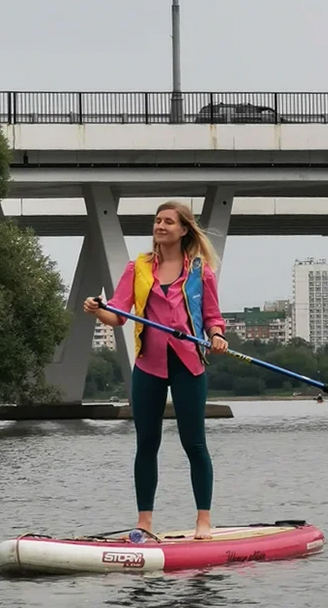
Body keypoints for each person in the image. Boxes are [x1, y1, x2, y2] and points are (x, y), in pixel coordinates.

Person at [83, 201, 228, 540]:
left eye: (168, 222)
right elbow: (118, 314)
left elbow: (212, 317)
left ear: (183, 230)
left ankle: (203, 521)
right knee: (147, 443)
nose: (160, 226)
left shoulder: (200, 271)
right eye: (157, 221)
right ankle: (144, 523)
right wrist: (96, 310)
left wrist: (217, 337)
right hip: (149, 364)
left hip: (188, 363)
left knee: (194, 443)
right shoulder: (138, 268)